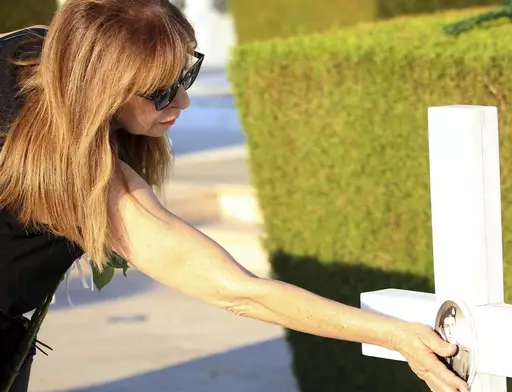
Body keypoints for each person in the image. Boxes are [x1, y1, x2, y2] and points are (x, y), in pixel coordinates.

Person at [0, 1, 470, 392]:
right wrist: (395, 335)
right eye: (160, 93)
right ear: (103, 90)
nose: (182, 101)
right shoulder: (85, 182)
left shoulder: (41, 47)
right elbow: (239, 292)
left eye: (186, 73)